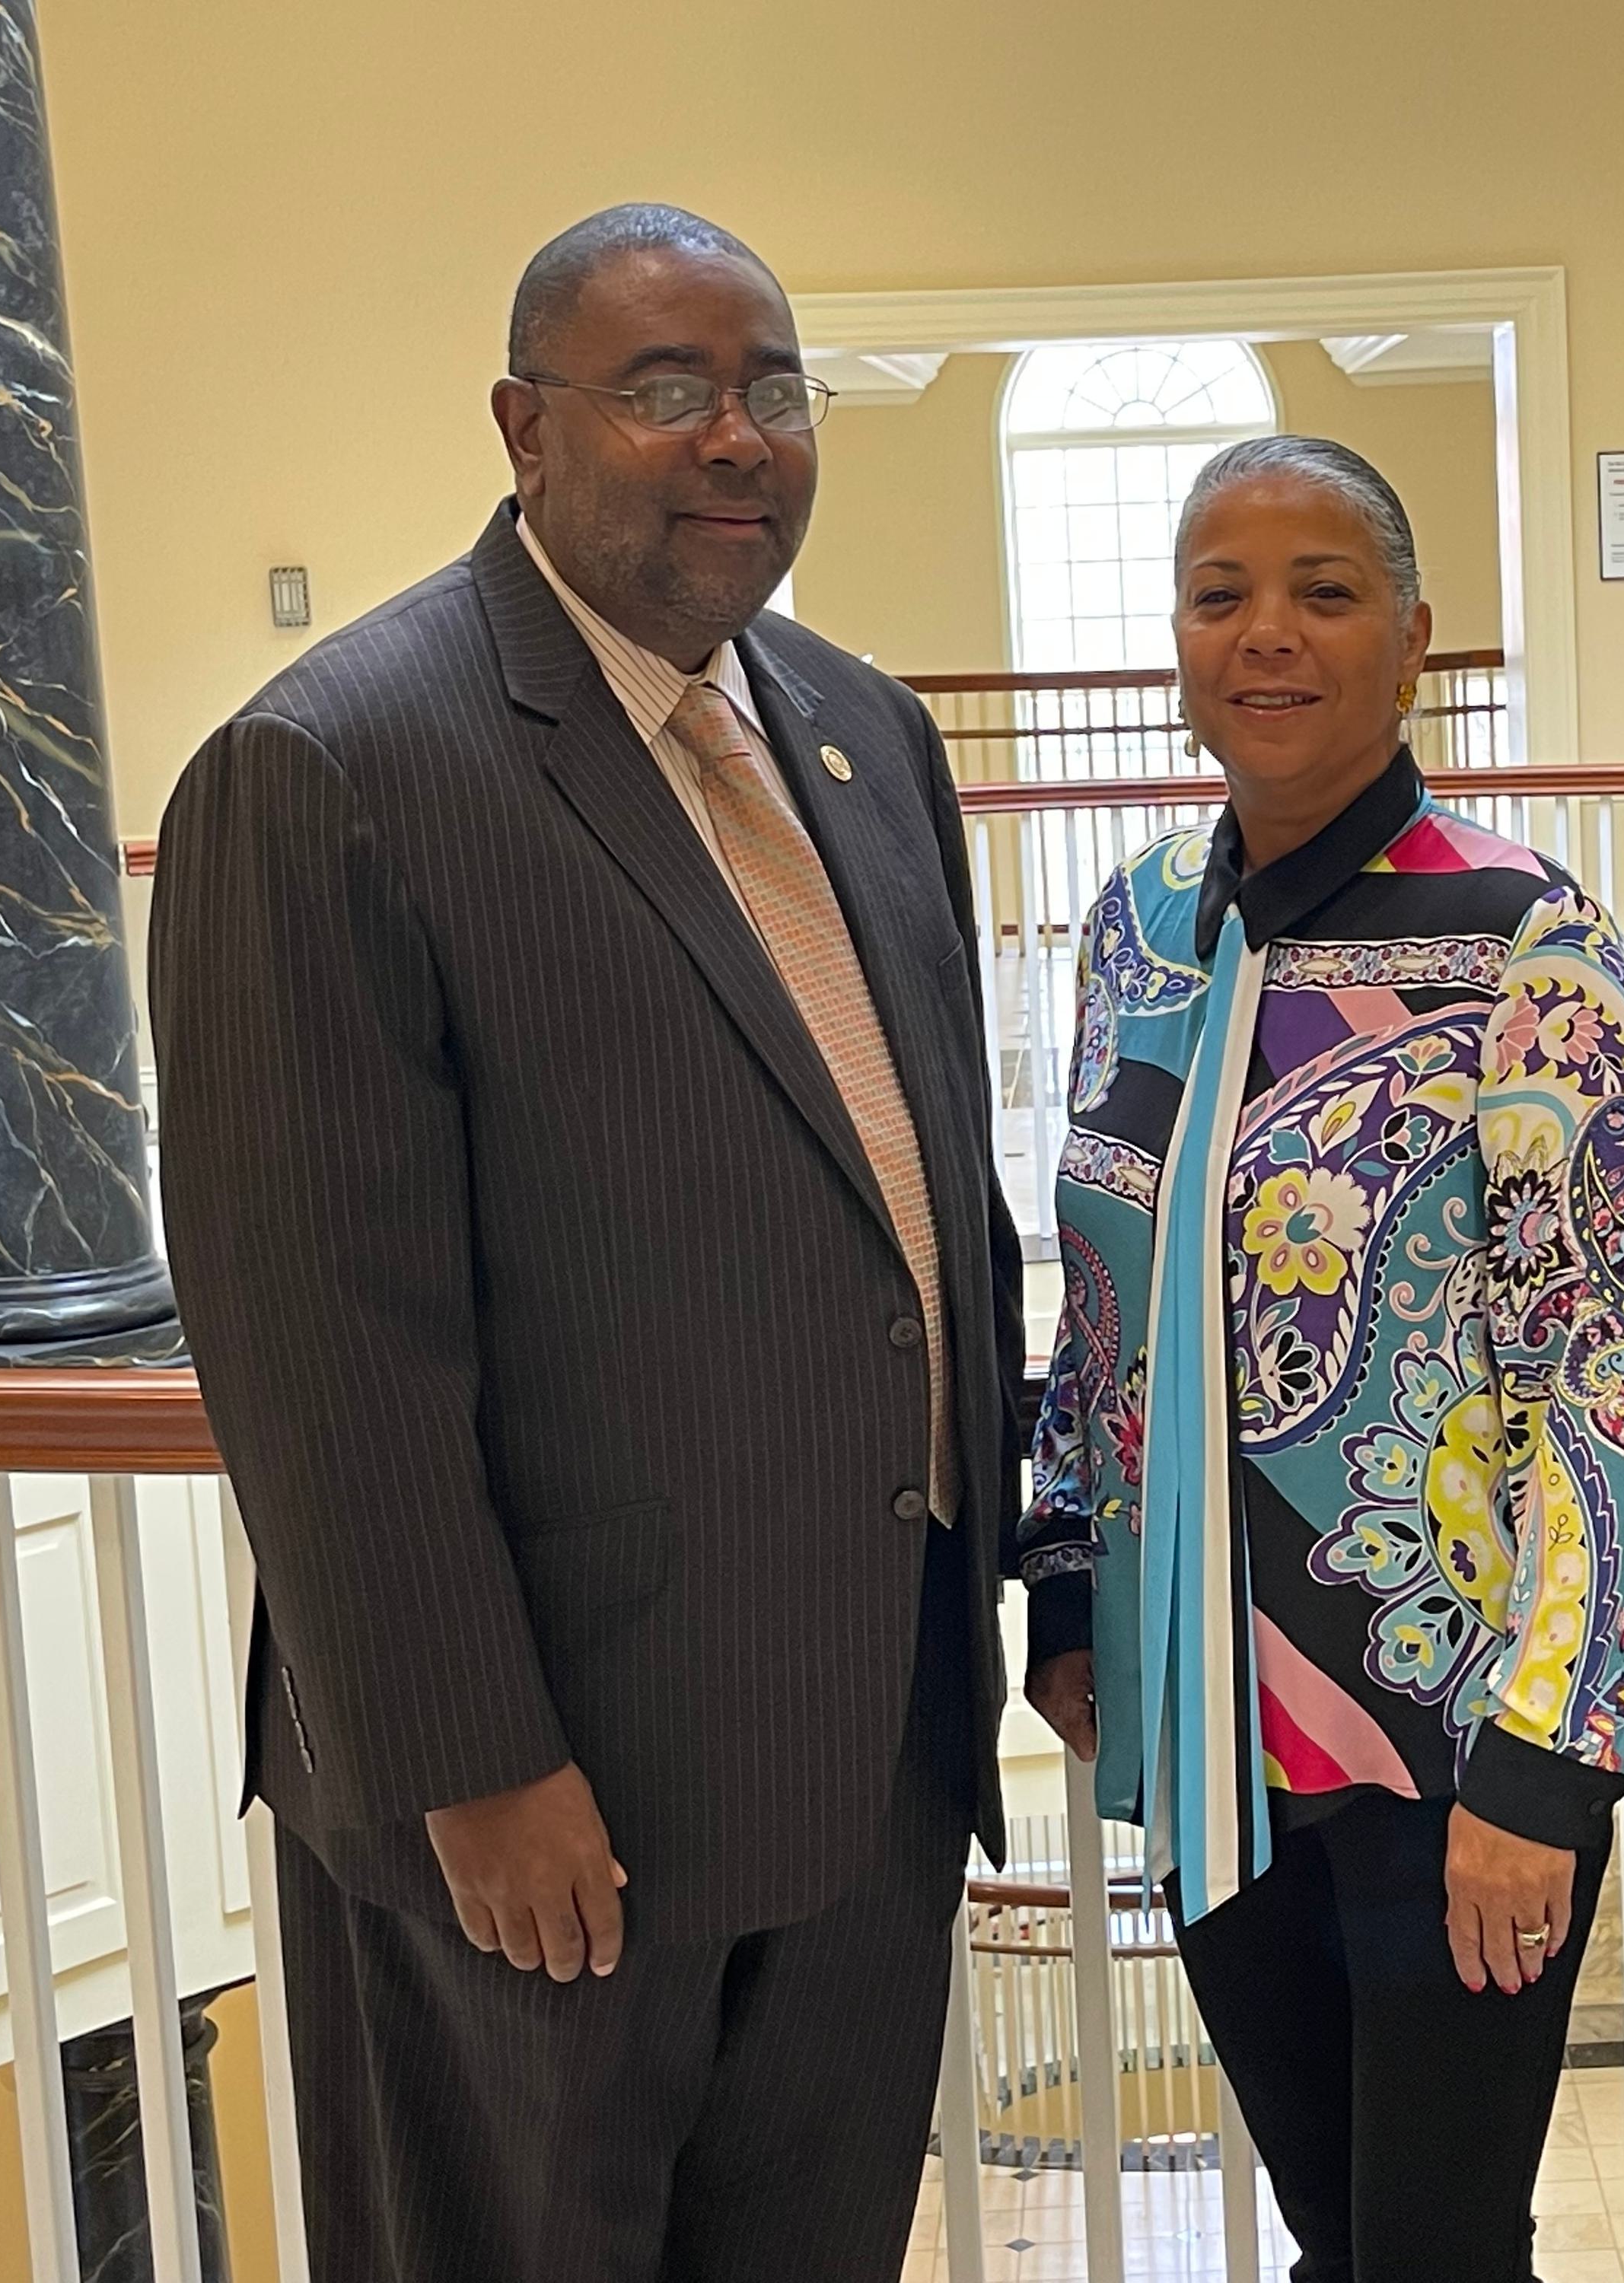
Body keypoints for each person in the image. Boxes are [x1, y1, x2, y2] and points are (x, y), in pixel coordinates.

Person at [151, 203, 1023, 2283]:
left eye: (773, 388)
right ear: (523, 429)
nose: (737, 437)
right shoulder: (333, 767)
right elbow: (318, 1345)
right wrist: (473, 1763)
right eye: (664, 393)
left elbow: (926, 1207)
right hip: (554, 1805)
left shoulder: (863, 735)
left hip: (865, 1759)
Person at [1018, 435, 1624, 2283]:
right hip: (1202, 1726)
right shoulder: (1136, 925)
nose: (1267, 634)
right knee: (1345, 2232)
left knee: (1435, 2248)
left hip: (1449, 1739)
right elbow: (1099, 1302)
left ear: (1412, 638)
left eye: (1321, 591)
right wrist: (1065, 1580)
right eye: (1219, 594)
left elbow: (1608, 1390)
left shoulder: (1524, 943)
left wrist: (1546, 1773)